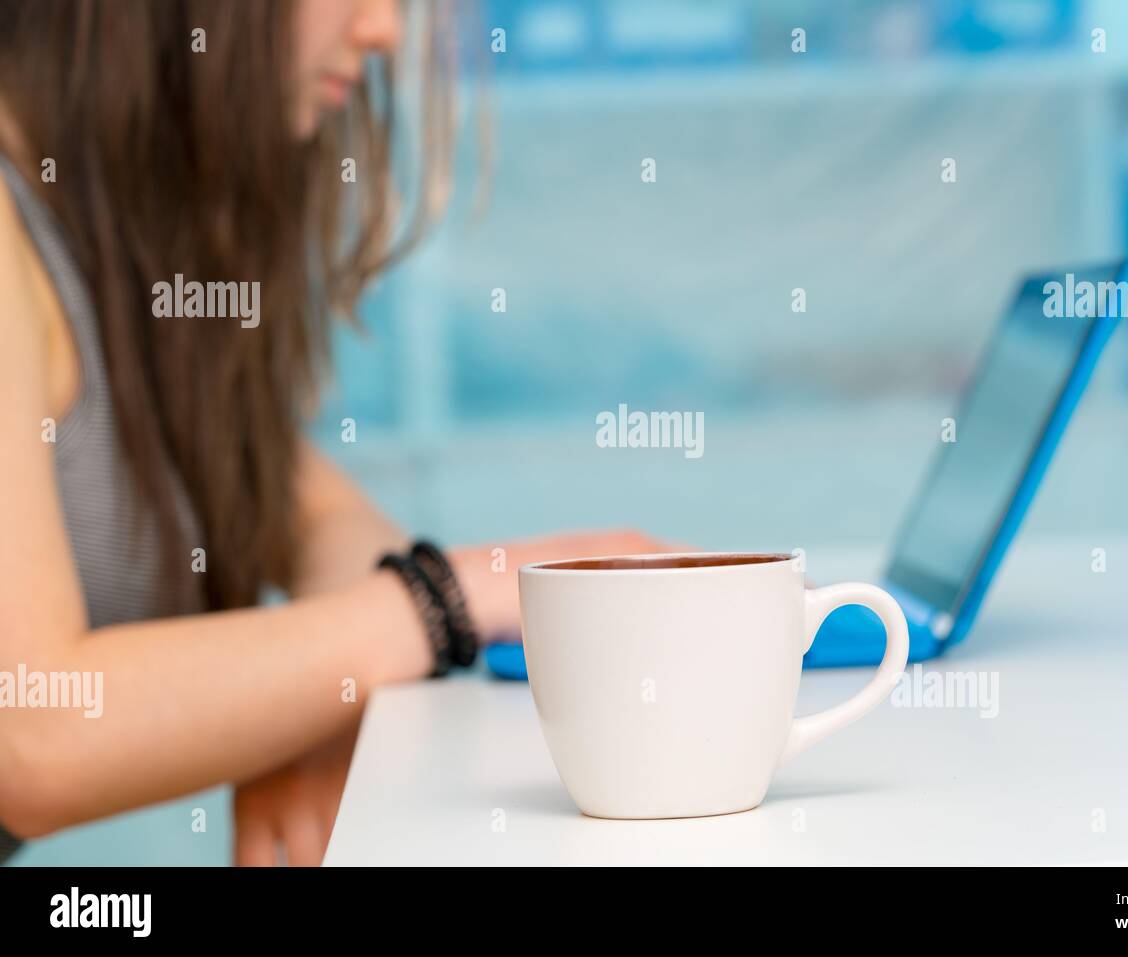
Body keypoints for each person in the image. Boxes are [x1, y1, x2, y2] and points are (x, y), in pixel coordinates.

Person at [0, 0, 669, 866]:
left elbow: (320, 516)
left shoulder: (97, 246)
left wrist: (315, 702)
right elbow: (32, 734)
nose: (386, 29)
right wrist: (451, 598)